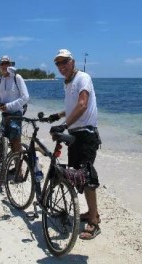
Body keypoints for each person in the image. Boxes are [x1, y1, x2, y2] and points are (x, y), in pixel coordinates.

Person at [49, 49, 102, 240]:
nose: (62, 66)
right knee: (77, 176)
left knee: (87, 178)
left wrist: (63, 125)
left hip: (86, 135)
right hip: (74, 135)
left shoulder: (83, 77)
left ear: (72, 62)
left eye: (65, 62)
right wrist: (59, 115)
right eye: (58, 64)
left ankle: (94, 222)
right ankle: (91, 212)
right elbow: (73, 106)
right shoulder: (68, 82)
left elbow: (82, 105)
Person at [0, 55, 29, 192]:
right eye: (2, 63)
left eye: (7, 63)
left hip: (15, 114)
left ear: (10, 64)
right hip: (4, 114)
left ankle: (19, 172)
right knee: (2, 139)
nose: (4, 66)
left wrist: (8, 106)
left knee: (16, 143)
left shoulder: (17, 78)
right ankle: (6, 166)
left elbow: (26, 97)